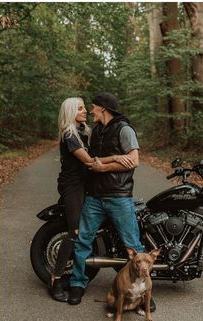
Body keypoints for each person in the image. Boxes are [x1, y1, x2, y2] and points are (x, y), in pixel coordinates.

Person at [49, 97, 135, 302]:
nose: (85, 110)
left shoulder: (86, 131)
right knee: (75, 232)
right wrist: (116, 157)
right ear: (70, 112)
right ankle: (55, 278)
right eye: (80, 108)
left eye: (86, 107)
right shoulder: (70, 134)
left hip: (87, 185)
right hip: (73, 186)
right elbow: (88, 161)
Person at [68, 92, 148, 306]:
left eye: (92, 107)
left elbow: (134, 160)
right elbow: (91, 159)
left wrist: (104, 167)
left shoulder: (125, 130)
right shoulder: (95, 131)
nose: (90, 111)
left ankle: (143, 292)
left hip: (119, 197)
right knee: (83, 241)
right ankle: (77, 283)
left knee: (133, 245)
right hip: (94, 197)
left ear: (103, 108)